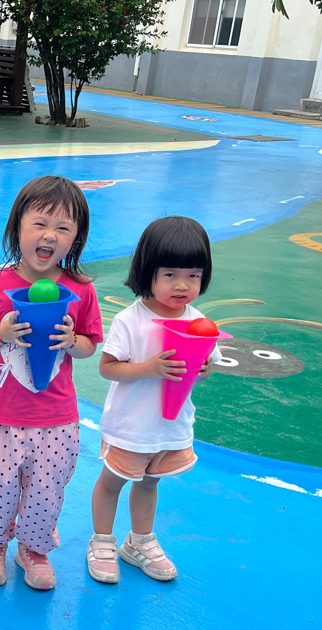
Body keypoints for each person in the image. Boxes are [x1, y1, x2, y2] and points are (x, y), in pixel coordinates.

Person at [0, 176, 103, 590]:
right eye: (39, 223)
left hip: (56, 418)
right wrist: (0, 333)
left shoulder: (80, 290)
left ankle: (34, 549)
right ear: (17, 227)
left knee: (47, 490)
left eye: (63, 228)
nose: (49, 235)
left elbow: (90, 345)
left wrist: (71, 341)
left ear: (76, 237)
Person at [87, 216, 221, 584]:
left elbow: (205, 366)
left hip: (169, 427)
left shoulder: (199, 322)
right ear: (148, 272)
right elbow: (108, 368)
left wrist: (203, 369)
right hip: (131, 425)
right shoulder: (131, 320)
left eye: (193, 275)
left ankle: (140, 541)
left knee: (149, 483)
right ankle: (102, 541)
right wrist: (148, 368)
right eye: (171, 274)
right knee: (112, 481)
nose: (182, 285)